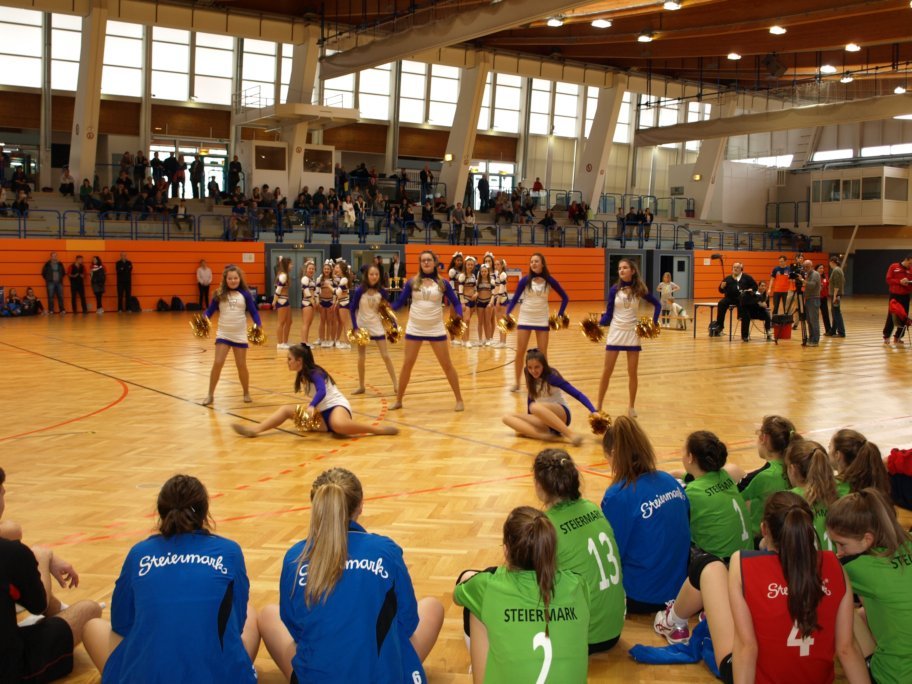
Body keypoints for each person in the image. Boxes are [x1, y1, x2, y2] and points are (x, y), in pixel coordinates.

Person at [258, 467, 442, 682]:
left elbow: (295, 628)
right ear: (360, 505)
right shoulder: (384, 550)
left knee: (268, 615)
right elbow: (408, 622)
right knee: (432, 607)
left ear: (316, 506)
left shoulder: (296, 556)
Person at [82, 475, 259, 682]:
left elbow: (121, 623)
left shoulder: (139, 553)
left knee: (93, 627)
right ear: (204, 513)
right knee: (249, 615)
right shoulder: (230, 551)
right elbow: (237, 624)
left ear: (161, 512)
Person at [727, 492, 868, 684]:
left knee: (710, 568)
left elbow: (747, 648)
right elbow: (846, 649)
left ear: (764, 529)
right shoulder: (834, 564)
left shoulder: (742, 563)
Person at [454, 506, 590, 683]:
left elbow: (458, 594)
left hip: (487, 588)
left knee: (476, 605)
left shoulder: (486, 586)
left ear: (506, 550)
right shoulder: (577, 583)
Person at [1, 467, 103, 683]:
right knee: (89, 610)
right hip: (11, 669)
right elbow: (40, 605)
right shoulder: (12, 553)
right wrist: (42, 556)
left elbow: (11, 529)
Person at [652, 431, 752, 645]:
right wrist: (676, 474)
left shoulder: (692, 494)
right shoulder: (725, 476)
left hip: (719, 569)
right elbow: (699, 480)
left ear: (690, 457)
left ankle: (676, 618)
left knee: (672, 540)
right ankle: (716, 605)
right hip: (744, 563)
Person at [533, 449, 625, 653]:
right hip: (614, 628)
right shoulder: (593, 508)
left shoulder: (546, 525)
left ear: (539, 486)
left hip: (584, 637)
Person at [600, 416, 690, 613]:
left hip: (643, 595)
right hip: (681, 589)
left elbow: (611, 554)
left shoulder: (617, 495)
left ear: (614, 454)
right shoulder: (669, 480)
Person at [826, 488, 912, 684]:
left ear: (867, 539)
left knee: (844, 609)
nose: (839, 552)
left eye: (842, 544)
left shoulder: (857, 567)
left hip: (896, 676)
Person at [232, 344, 397, 438]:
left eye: (289, 359)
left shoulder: (315, 372)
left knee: (338, 425)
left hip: (337, 407)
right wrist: (312, 409)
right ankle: (255, 430)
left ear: (299, 360)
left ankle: (377, 430)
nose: (287, 362)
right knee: (286, 410)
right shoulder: (302, 374)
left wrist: (311, 405)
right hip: (323, 416)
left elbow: (322, 391)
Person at [390, 250, 465, 411]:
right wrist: (385, 307)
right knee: (407, 365)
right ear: (420, 263)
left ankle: (459, 399)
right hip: (414, 328)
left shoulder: (443, 283)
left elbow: (456, 302)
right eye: (423, 260)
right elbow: (399, 303)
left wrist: (459, 314)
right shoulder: (412, 282)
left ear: (434, 262)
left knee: (447, 365)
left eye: (429, 260)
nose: (426, 262)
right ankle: (399, 400)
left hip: (435, 328)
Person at [596, 258, 660, 418]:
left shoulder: (639, 289)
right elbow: (609, 314)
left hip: (632, 333)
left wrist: (654, 323)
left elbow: (657, 304)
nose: (621, 270)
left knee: (632, 372)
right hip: (616, 332)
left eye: (625, 268)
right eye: (619, 268)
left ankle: (631, 406)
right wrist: (598, 324)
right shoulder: (614, 290)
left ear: (632, 271)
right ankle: (598, 405)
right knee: (606, 371)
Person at [503, 348, 598, 446]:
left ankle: (570, 434)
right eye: (530, 367)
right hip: (543, 417)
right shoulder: (528, 373)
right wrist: (531, 419)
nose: (533, 371)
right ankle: (543, 436)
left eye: (537, 367)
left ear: (543, 365)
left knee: (534, 407)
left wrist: (593, 410)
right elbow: (531, 396)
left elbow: (577, 394)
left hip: (561, 414)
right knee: (506, 417)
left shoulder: (552, 376)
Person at [725, 415, 797, 540]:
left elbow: (729, 497)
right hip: (789, 534)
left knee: (731, 474)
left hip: (761, 539)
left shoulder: (762, 476)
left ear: (764, 438)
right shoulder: (794, 468)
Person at [505, 253, 569, 391]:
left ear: (542, 264)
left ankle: (543, 382)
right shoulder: (525, 280)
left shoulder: (550, 280)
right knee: (520, 351)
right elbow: (515, 299)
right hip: (525, 317)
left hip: (541, 318)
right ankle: (517, 383)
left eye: (536, 261)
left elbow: (565, 298)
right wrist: (507, 313)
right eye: (532, 261)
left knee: (543, 354)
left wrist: (560, 315)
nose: (533, 263)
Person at [201, 264, 262, 406]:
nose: (233, 281)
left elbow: (253, 311)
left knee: (241, 365)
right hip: (223, 334)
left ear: (239, 278)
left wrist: (258, 324)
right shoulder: (219, 294)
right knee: (218, 363)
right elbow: (210, 311)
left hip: (239, 334)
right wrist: (204, 319)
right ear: (225, 279)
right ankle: (210, 395)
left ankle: (246, 392)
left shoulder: (245, 294)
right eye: (230, 278)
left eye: (235, 278)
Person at [350, 264, 398, 395]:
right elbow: (352, 309)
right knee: (361, 357)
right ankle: (361, 386)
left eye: (376, 274)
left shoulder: (382, 292)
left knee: (385, 355)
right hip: (362, 326)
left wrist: (393, 324)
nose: (374, 276)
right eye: (371, 274)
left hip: (376, 325)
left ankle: (396, 384)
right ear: (367, 275)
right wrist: (355, 327)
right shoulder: (360, 291)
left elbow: (386, 310)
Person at [828, 428, 891, 497]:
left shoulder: (831, 488)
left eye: (830, 447)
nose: (828, 452)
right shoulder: (875, 480)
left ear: (837, 455)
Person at [713, 262, 760, 340]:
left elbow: (755, 286)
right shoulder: (727, 278)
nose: (736, 269)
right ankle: (720, 325)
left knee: (745, 313)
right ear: (732, 269)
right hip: (729, 298)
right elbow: (721, 291)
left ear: (741, 269)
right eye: (734, 267)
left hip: (742, 298)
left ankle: (744, 335)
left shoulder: (747, 277)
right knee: (721, 303)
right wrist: (721, 287)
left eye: (737, 267)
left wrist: (751, 289)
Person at [882, 254, 912, 344]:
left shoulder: (911, 269)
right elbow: (888, 279)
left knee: (904, 317)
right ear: (906, 259)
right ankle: (886, 336)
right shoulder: (893, 266)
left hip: (906, 296)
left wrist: (908, 282)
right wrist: (900, 282)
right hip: (894, 296)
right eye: (910, 263)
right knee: (891, 315)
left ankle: (898, 337)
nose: (910, 265)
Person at [796, 259, 821, 346]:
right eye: (804, 267)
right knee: (809, 321)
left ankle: (815, 341)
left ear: (811, 266)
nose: (805, 268)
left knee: (814, 321)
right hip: (808, 299)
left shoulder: (815, 274)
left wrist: (802, 280)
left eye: (807, 266)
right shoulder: (808, 274)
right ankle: (811, 339)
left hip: (814, 299)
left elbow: (812, 285)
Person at [299, 260, 316, 344]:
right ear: (306, 269)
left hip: (311, 303)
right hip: (307, 303)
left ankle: (305, 341)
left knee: (308, 323)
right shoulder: (305, 278)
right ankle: (304, 342)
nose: (311, 270)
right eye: (310, 268)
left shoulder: (311, 279)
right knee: (306, 323)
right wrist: (312, 300)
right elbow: (305, 290)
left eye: (313, 269)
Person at [829, 256, 846, 337]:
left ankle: (841, 332)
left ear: (832, 262)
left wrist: (835, 296)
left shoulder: (836, 270)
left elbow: (837, 284)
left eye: (830, 262)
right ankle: (833, 330)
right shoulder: (839, 269)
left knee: (836, 313)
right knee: (835, 312)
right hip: (837, 294)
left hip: (836, 294)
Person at [816, 264, 834, 336]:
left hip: (823, 298)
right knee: (815, 315)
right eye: (820, 268)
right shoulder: (814, 276)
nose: (822, 270)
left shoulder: (825, 277)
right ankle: (815, 331)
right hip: (816, 298)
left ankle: (828, 330)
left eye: (822, 268)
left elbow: (828, 285)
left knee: (825, 314)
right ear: (816, 269)